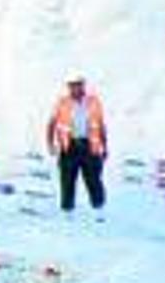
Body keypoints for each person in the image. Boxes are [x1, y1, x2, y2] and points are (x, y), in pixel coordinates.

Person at [46, 72, 108, 221]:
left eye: (78, 85)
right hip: (69, 146)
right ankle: (68, 213)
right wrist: (50, 143)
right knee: (67, 179)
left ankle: (99, 211)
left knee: (94, 179)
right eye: (71, 86)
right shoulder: (62, 102)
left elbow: (100, 124)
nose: (75, 88)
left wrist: (104, 146)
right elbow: (51, 124)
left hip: (90, 145)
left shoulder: (93, 101)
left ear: (83, 86)